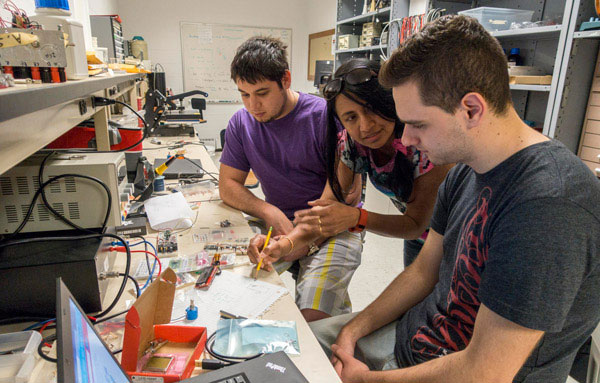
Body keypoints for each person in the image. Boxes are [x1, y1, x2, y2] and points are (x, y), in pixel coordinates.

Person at [308, 15, 600, 383]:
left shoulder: (549, 206)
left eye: (418, 124)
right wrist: (351, 330)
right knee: (289, 347)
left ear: (472, 109)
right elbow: (422, 270)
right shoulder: (465, 170)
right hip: (410, 342)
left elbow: (484, 373)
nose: (407, 139)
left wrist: (366, 380)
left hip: (455, 372)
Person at [249, 58, 451, 269]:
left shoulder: (422, 144)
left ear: (388, 101)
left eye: (371, 109)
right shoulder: (352, 145)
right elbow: (324, 211)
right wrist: (284, 244)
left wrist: (356, 217)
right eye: (351, 117)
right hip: (421, 240)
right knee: (420, 300)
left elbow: (414, 224)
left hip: (458, 235)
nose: (366, 126)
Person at [219, 36, 362, 322]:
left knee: (312, 319)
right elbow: (228, 185)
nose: (253, 106)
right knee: (235, 295)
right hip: (279, 220)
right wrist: (268, 211)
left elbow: (348, 194)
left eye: (261, 93)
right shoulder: (241, 123)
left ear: (285, 79)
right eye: (244, 94)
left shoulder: (325, 116)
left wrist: (297, 240)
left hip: (334, 226)